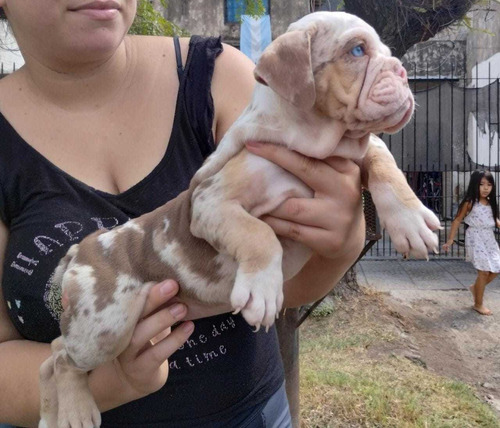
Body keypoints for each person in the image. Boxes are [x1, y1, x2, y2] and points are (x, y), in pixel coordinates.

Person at [0, 1, 365, 426]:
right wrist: (107, 380)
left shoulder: (222, 77)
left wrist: (342, 243)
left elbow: (279, 286)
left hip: (254, 415)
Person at [442, 170, 500, 316]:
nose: (486, 188)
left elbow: (494, 219)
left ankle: (476, 288)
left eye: (489, 184)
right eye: (481, 184)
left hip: (489, 238)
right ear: (475, 185)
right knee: (483, 271)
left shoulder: (491, 202)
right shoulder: (470, 202)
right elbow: (457, 220)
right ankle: (478, 304)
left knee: (495, 270)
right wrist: (450, 240)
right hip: (475, 237)